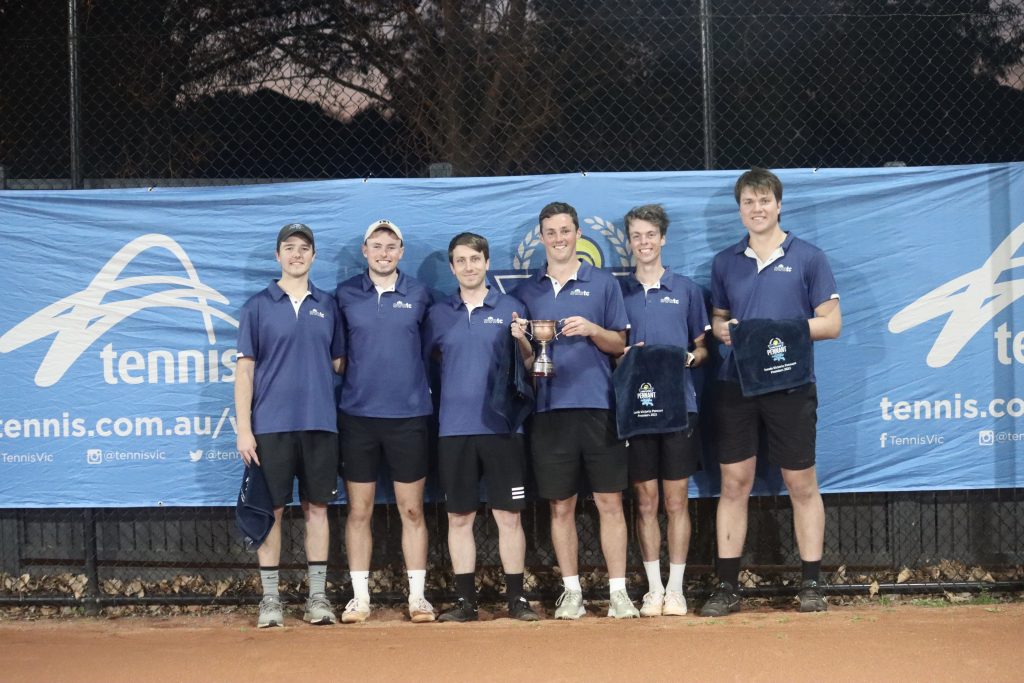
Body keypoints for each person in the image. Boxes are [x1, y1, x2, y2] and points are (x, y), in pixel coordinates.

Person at [701, 168, 842, 617]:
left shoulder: (809, 258)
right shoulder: (725, 262)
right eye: (749, 202)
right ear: (740, 209)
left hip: (790, 385)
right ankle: (727, 587)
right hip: (736, 385)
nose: (757, 208)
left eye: (764, 201)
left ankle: (812, 584)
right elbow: (718, 318)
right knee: (734, 483)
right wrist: (723, 331)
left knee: (801, 483)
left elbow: (831, 323)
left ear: (779, 205)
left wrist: (773, 332)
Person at [511, 201, 639, 619]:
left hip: (599, 407)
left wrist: (593, 329)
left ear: (578, 234)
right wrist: (522, 341)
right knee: (560, 505)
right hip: (549, 410)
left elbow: (619, 344)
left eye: (565, 230)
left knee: (609, 502)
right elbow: (527, 363)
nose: (559, 238)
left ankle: (618, 592)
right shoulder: (527, 293)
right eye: (550, 232)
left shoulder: (603, 284)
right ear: (541, 238)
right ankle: (572, 592)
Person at [424, 233, 540, 622]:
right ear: (452, 267)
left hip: (502, 428)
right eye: (461, 260)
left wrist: (522, 341)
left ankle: (516, 600)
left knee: (509, 516)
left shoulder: (511, 308)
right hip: (454, 430)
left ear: (487, 263)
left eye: (475, 259)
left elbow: (529, 365)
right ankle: (465, 603)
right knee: (459, 517)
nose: (469, 266)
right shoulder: (439, 314)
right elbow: (431, 363)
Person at [235, 223, 344, 628]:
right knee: (274, 511)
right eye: (289, 248)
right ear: (277, 255)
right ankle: (270, 601)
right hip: (271, 427)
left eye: (304, 248)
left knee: (317, 509)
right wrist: (244, 429)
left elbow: (339, 363)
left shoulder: (328, 305)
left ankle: (317, 598)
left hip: (320, 424)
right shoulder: (257, 306)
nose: (297, 254)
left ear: (314, 256)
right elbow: (245, 372)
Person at [335, 219, 436, 624]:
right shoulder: (345, 295)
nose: (383, 253)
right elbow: (338, 356)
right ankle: (360, 599)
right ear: (365, 251)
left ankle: (418, 598)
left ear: (401, 252)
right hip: (358, 419)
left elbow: (431, 351)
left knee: (412, 510)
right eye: (376, 246)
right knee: (359, 511)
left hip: (408, 418)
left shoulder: (421, 294)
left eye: (391, 246)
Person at [618, 204, 709, 617]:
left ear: (663, 238)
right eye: (637, 236)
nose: (644, 242)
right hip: (635, 412)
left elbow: (703, 348)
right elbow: (612, 347)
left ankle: (676, 589)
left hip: (679, 408)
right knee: (645, 501)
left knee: (676, 502)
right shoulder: (617, 293)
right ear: (629, 242)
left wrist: (691, 357)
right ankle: (653, 589)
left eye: (650, 235)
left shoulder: (686, 290)